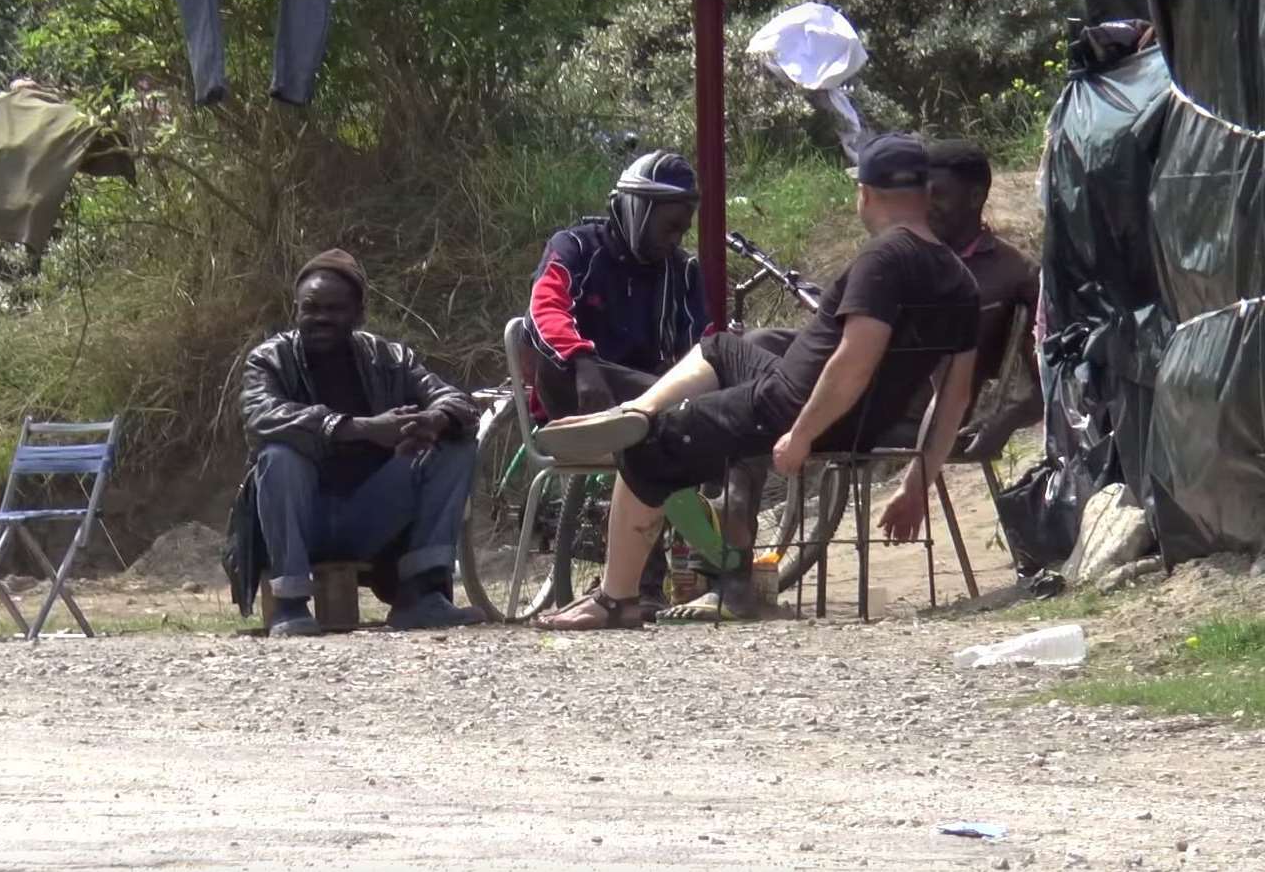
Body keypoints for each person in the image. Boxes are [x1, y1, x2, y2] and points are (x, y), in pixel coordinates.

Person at [530, 133, 981, 629]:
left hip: (787, 405)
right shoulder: (961, 280)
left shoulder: (884, 260)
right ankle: (637, 408)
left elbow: (854, 360)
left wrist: (803, 435)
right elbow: (954, 397)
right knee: (724, 347)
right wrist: (917, 484)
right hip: (855, 421)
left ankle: (616, 599)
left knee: (647, 450)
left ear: (867, 192)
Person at [661, 138, 1043, 622]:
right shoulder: (900, 256)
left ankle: (727, 573)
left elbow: (1032, 377)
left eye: (938, 197)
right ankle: (705, 527)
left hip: (907, 414)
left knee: (750, 422)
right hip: (864, 391)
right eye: (924, 195)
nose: (928, 207)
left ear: (975, 199)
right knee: (758, 346)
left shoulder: (1008, 272)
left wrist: (1000, 423)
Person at [233, 249, 484, 636]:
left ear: (358, 313)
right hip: (299, 522)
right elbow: (261, 415)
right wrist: (362, 428)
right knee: (279, 457)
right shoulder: (268, 361)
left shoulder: (391, 358)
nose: (321, 319)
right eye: (311, 308)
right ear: (295, 309)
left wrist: (433, 419)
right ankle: (289, 603)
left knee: (454, 446)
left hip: (370, 517)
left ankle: (421, 595)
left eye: (335, 309)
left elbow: (458, 402)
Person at [524, 150, 707, 619]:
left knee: (693, 407)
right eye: (668, 226)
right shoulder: (575, 248)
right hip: (577, 393)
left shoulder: (681, 273)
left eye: (683, 229)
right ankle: (637, 582)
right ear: (635, 210)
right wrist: (583, 362)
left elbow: (699, 350)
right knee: (655, 412)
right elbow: (544, 310)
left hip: (648, 402)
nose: (676, 239)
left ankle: (696, 574)